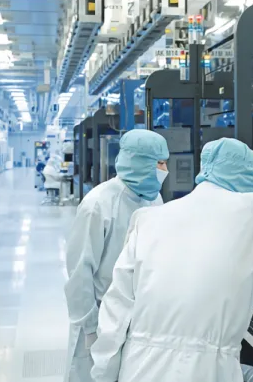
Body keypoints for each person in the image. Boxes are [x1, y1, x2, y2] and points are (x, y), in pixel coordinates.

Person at [90, 138, 253, 382]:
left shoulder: (149, 217)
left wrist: (105, 373)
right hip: (204, 370)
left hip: (137, 368)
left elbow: (116, 308)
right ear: (248, 175)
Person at [64, 129, 170, 382]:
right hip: (100, 319)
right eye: (159, 162)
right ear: (138, 161)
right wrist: (90, 328)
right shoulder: (98, 205)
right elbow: (79, 274)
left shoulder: (154, 199)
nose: (165, 169)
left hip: (140, 319)